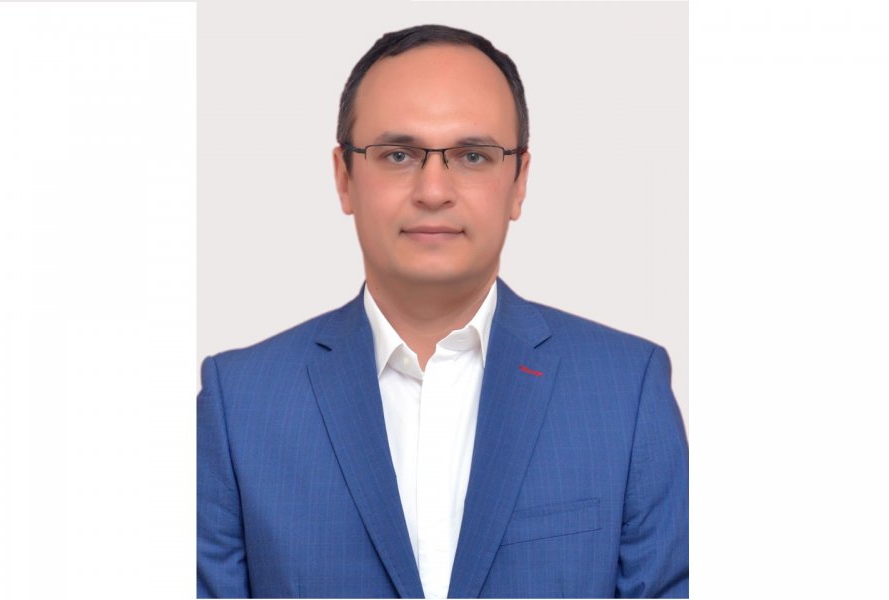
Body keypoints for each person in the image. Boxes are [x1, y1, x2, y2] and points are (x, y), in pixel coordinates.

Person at [197, 24, 688, 599]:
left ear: (519, 181)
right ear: (344, 177)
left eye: (473, 155)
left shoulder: (625, 391)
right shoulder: (240, 405)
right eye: (398, 154)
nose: (433, 190)